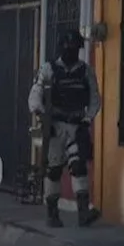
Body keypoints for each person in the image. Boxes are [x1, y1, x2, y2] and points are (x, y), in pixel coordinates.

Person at [29, 31, 102, 227]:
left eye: (75, 49)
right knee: (53, 170)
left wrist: (87, 119)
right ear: (62, 48)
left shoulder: (86, 71)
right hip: (55, 125)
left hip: (77, 125)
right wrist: (42, 116)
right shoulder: (49, 69)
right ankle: (52, 214)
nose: (71, 52)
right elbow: (35, 95)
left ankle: (83, 212)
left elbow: (95, 98)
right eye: (68, 48)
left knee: (78, 167)